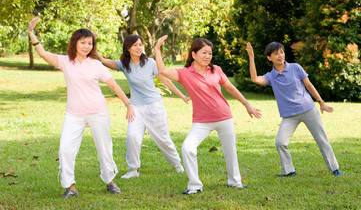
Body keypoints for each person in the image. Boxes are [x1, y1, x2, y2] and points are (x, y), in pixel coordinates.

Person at [27, 17, 135, 199]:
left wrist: (128, 105)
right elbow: (44, 54)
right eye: (83, 42)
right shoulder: (65, 61)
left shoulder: (96, 64)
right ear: (75, 43)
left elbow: (114, 86)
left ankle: (109, 181)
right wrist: (31, 34)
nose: (86, 46)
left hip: (98, 112)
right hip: (74, 114)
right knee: (65, 150)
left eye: (89, 43)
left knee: (104, 149)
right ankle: (70, 186)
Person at [154, 36, 262, 195]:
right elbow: (162, 70)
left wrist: (247, 105)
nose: (207, 56)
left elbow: (231, 88)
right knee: (187, 148)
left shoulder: (216, 69)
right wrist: (157, 49)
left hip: (224, 116)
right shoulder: (184, 73)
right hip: (202, 121)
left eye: (210, 53)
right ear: (194, 54)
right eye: (204, 52)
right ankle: (195, 185)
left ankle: (235, 181)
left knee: (229, 150)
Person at [96, 34, 188, 179]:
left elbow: (165, 80)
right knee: (132, 136)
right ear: (128, 48)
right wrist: (93, 42)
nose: (139, 47)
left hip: (154, 107)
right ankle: (133, 169)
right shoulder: (124, 64)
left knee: (162, 138)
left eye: (140, 44)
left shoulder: (150, 62)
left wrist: (181, 96)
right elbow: (102, 60)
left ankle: (177, 164)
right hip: (136, 108)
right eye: (135, 45)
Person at [245, 41, 342, 177]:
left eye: (282, 52)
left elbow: (308, 85)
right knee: (280, 142)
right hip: (290, 115)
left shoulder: (296, 68)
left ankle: (334, 168)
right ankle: (289, 171)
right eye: (276, 53)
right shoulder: (271, 76)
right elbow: (255, 79)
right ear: (269, 58)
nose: (280, 55)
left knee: (321, 140)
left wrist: (321, 102)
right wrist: (251, 57)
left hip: (308, 110)